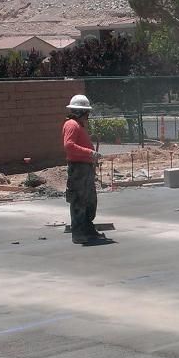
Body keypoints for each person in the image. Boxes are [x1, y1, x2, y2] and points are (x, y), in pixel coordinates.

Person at [61, 94, 107, 245]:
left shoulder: (78, 125)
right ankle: (79, 232)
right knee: (79, 201)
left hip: (84, 168)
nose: (88, 116)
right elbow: (69, 145)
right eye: (87, 113)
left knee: (89, 200)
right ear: (81, 112)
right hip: (78, 169)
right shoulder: (72, 125)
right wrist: (90, 153)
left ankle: (87, 228)